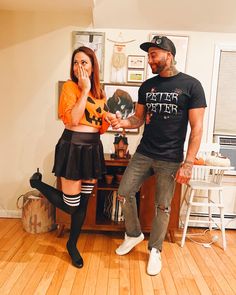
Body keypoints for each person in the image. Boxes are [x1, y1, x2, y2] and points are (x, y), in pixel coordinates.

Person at [109, 35, 207, 276]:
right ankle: (133, 234)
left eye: (154, 55)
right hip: (144, 153)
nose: (149, 59)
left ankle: (155, 251)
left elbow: (197, 128)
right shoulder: (147, 86)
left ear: (169, 56)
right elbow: (138, 119)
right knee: (123, 192)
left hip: (171, 158)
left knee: (162, 207)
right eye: (148, 55)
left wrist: (188, 162)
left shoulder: (191, 86)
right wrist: (122, 122)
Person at [30, 46, 110, 268]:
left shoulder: (101, 92)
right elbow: (72, 120)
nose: (79, 67)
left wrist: (110, 117)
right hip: (73, 147)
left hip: (92, 148)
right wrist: (83, 91)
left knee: (83, 204)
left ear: (93, 66)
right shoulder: (70, 87)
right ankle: (36, 183)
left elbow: (100, 127)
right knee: (72, 205)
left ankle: (72, 245)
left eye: (84, 62)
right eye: (75, 62)